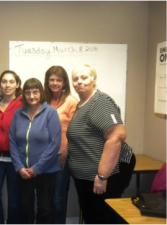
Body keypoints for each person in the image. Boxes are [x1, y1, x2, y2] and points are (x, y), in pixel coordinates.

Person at [67, 64, 136, 225]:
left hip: (105, 174)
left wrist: (103, 176)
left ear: (94, 80)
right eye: (75, 79)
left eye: (84, 78)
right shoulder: (83, 103)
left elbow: (117, 136)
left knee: (102, 217)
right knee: (92, 215)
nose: (79, 82)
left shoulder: (100, 102)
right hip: (86, 175)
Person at [9, 78, 61, 225]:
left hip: (46, 171)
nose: (31, 96)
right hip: (24, 172)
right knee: (25, 208)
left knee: (44, 209)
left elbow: (54, 143)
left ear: (41, 93)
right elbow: (12, 141)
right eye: (28, 92)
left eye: (35, 92)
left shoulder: (50, 113)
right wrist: (19, 168)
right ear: (23, 95)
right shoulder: (18, 114)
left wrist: (37, 168)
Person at [0, 70, 23, 225]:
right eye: (4, 81)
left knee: (15, 199)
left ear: (17, 85)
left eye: (11, 81)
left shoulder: (24, 103)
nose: (7, 85)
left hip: (15, 159)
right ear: (0, 84)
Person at [43, 66, 78, 225]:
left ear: (64, 83)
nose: (55, 83)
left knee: (58, 199)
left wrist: (65, 154)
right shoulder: (42, 100)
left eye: (59, 80)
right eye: (52, 79)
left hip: (61, 158)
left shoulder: (71, 101)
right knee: (45, 200)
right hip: (43, 158)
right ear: (47, 81)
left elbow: (75, 131)